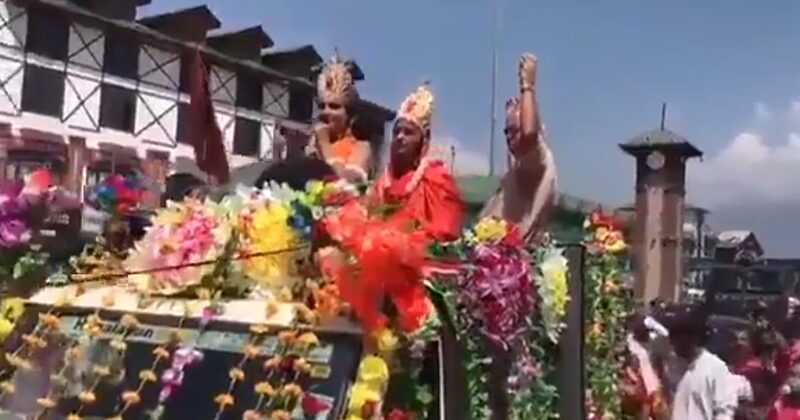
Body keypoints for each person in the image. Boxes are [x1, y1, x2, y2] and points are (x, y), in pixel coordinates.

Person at [478, 53, 557, 243]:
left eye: (514, 131)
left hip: (515, 264)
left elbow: (529, 134)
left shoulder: (539, 160)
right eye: (506, 132)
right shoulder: (517, 167)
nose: (508, 138)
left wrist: (527, 86)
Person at [370, 83, 464, 241]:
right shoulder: (381, 184)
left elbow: (445, 233)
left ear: (423, 139)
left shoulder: (436, 180)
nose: (400, 137)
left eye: (408, 132)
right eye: (396, 132)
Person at [668, 306, 738, 420]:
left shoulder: (715, 368)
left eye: (676, 337)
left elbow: (725, 411)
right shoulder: (676, 368)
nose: (672, 342)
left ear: (691, 338)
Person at [312, 53, 372, 183]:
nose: (325, 112)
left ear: (350, 116)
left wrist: (324, 144)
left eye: (334, 107)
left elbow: (346, 185)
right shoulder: (311, 150)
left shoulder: (361, 148)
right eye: (322, 106)